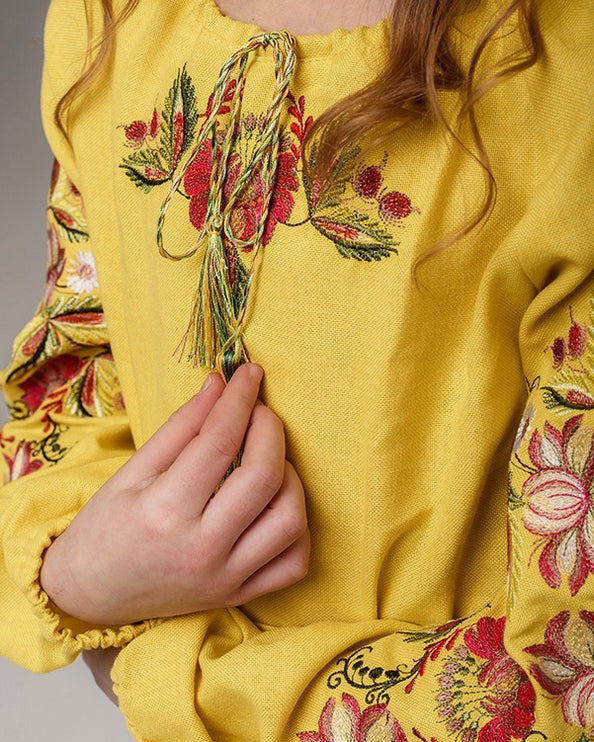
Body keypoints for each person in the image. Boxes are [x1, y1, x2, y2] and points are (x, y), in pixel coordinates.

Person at [0, 0, 592, 739]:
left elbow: (566, 677)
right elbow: (75, 376)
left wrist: (169, 672)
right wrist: (77, 575)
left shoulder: (567, 72)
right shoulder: (108, 18)